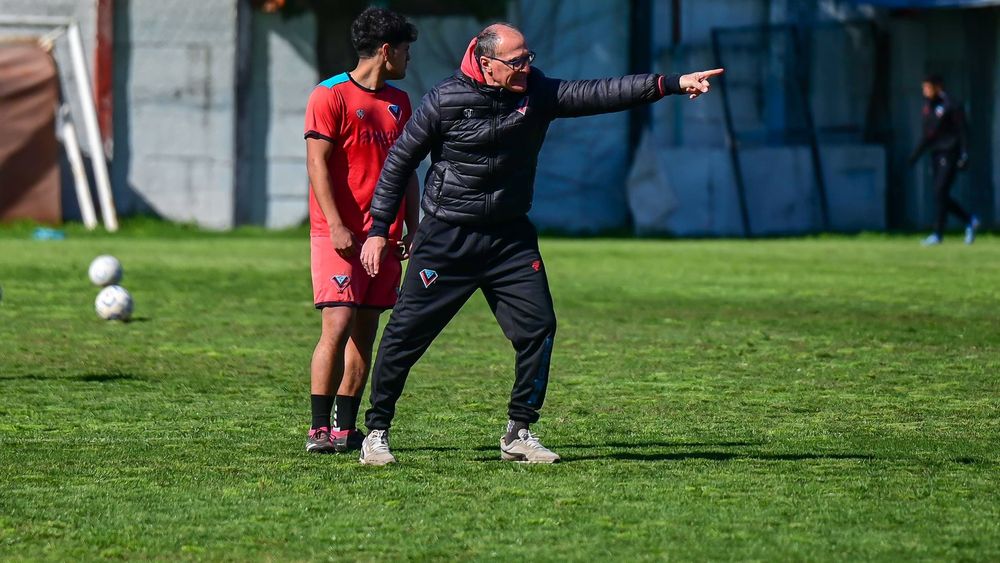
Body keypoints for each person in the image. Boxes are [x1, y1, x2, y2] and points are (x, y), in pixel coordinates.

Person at [354, 23, 723, 465]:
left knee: (538, 328)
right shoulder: (444, 99)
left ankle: (519, 432)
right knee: (405, 336)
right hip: (447, 237)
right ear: (486, 63)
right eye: (517, 61)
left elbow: (600, 93)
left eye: (528, 58)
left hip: (510, 238)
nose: (527, 67)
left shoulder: (537, 92)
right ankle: (377, 432)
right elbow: (399, 162)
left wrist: (671, 84)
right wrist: (379, 229)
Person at [303, 7, 420, 453]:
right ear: (387, 51)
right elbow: (317, 163)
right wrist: (335, 224)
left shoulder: (401, 102)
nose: (409, 58)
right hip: (337, 235)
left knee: (365, 331)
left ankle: (345, 428)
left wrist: (414, 225)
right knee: (337, 322)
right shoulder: (328, 94)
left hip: (383, 237)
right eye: (405, 50)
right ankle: (318, 428)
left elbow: (407, 170)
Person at [909, 74, 979, 246]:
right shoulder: (928, 106)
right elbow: (928, 135)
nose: (925, 91)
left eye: (928, 87)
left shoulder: (951, 105)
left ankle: (938, 233)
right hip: (936, 154)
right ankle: (969, 220)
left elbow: (963, 130)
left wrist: (964, 153)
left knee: (940, 191)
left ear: (937, 86)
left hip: (950, 153)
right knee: (940, 194)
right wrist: (915, 155)